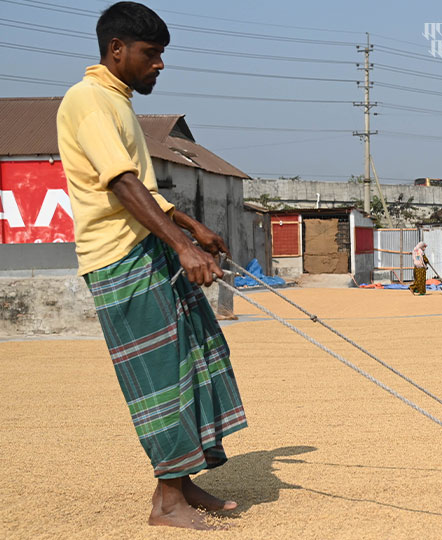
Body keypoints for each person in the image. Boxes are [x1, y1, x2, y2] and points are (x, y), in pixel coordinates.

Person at [56, 2, 247, 530]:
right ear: (116, 50)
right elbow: (122, 184)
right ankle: (166, 504)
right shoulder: (90, 101)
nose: (159, 65)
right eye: (151, 54)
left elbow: (139, 182)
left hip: (148, 247)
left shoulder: (116, 102)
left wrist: (191, 227)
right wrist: (185, 249)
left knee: (195, 359)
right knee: (164, 376)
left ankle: (183, 483)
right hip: (121, 258)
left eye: (162, 55)